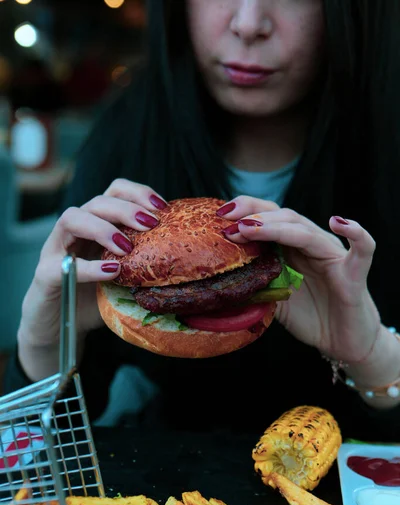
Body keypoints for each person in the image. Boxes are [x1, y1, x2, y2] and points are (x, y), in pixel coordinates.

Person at [4, 0, 400, 440]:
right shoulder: (123, 143)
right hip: (160, 482)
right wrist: (45, 348)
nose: (248, 25)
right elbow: (36, 465)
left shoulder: (387, 157)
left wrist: (373, 355)